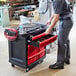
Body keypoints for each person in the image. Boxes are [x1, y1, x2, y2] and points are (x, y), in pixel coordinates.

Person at [45, 0, 73, 69]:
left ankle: (59, 63)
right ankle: (66, 58)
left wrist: (49, 29)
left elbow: (56, 17)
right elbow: (57, 10)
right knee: (65, 40)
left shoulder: (57, 0)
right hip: (68, 20)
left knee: (61, 42)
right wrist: (50, 19)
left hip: (65, 21)